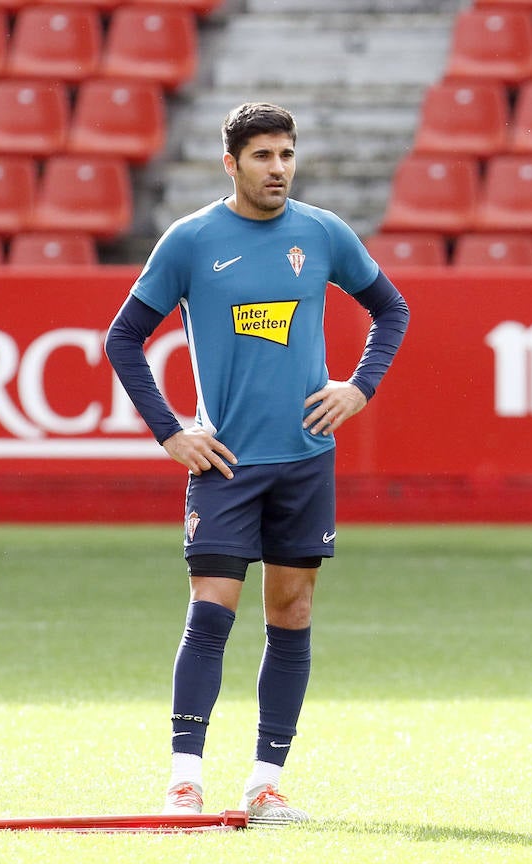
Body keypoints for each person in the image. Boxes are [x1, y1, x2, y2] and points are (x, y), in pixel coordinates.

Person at [104, 102, 410, 824]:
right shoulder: (190, 242)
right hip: (227, 466)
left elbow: (391, 309)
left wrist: (359, 386)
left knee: (292, 611)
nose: (278, 168)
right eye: (264, 156)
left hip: (304, 461)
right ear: (231, 163)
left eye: (287, 154)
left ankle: (265, 785)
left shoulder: (323, 232)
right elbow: (124, 338)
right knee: (211, 612)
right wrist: (171, 431)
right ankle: (184, 781)